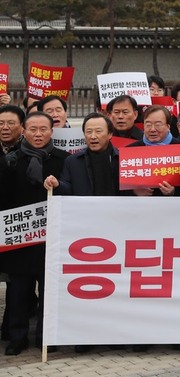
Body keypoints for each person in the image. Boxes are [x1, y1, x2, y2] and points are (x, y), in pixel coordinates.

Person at [0, 112, 69, 355]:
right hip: (19, 239)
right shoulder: (11, 161)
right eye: (32, 129)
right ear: (24, 132)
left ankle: (45, 337)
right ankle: (17, 339)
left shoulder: (63, 160)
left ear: (52, 131)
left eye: (43, 129)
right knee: (18, 293)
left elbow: (70, 193)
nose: (38, 134)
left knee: (48, 292)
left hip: (51, 239)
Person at [48, 112, 122, 197]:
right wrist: (58, 185)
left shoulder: (122, 160)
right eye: (89, 132)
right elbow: (68, 190)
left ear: (110, 134)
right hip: (84, 209)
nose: (93, 136)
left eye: (98, 131)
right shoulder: (72, 161)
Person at [128, 106, 180, 196]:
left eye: (158, 125)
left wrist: (174, 192)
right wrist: (133, 191)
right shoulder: (131, 150)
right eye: (148, 125)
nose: (152, 129)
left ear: (168, 126)